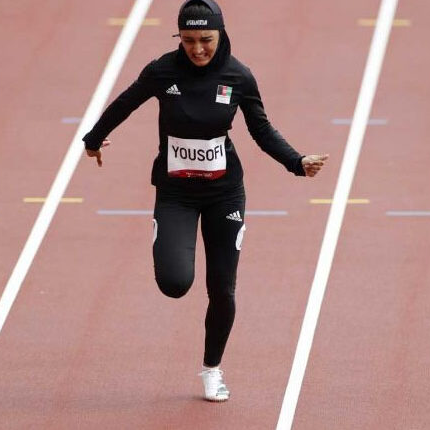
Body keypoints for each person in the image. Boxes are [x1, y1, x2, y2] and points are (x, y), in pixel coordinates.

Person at [83, 0, 328, 402]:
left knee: (222, 289)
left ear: (220, 35)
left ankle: (212, 369)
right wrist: (93, 140)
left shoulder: (238, 76)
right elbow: (124, 103)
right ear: (179, 37)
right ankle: (169, 249)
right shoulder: (162, 71)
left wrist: (296, 162)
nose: (197, 48)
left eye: (206, 40)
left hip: (224, 194)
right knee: (174, 283)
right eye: (189, 40)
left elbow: (261, 129)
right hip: (176, 193)